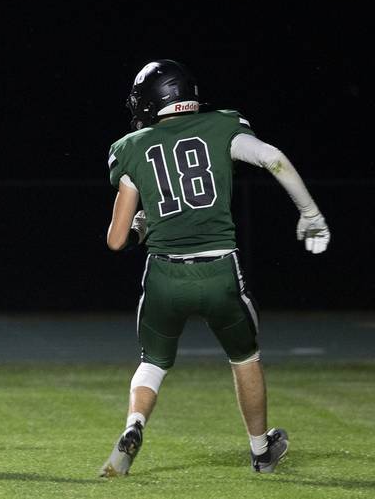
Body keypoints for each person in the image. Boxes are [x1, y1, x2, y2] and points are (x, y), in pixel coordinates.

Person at [99, 59, 330, 477]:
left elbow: (117, 240)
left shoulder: (131, 148)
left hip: (165, 274)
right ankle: (261, 452)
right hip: (220, 271)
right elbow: (272, 158)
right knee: (245, 358)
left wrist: (141, 226)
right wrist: (310, 213)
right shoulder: (222, 126)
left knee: (152, 361)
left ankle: (134, 426)